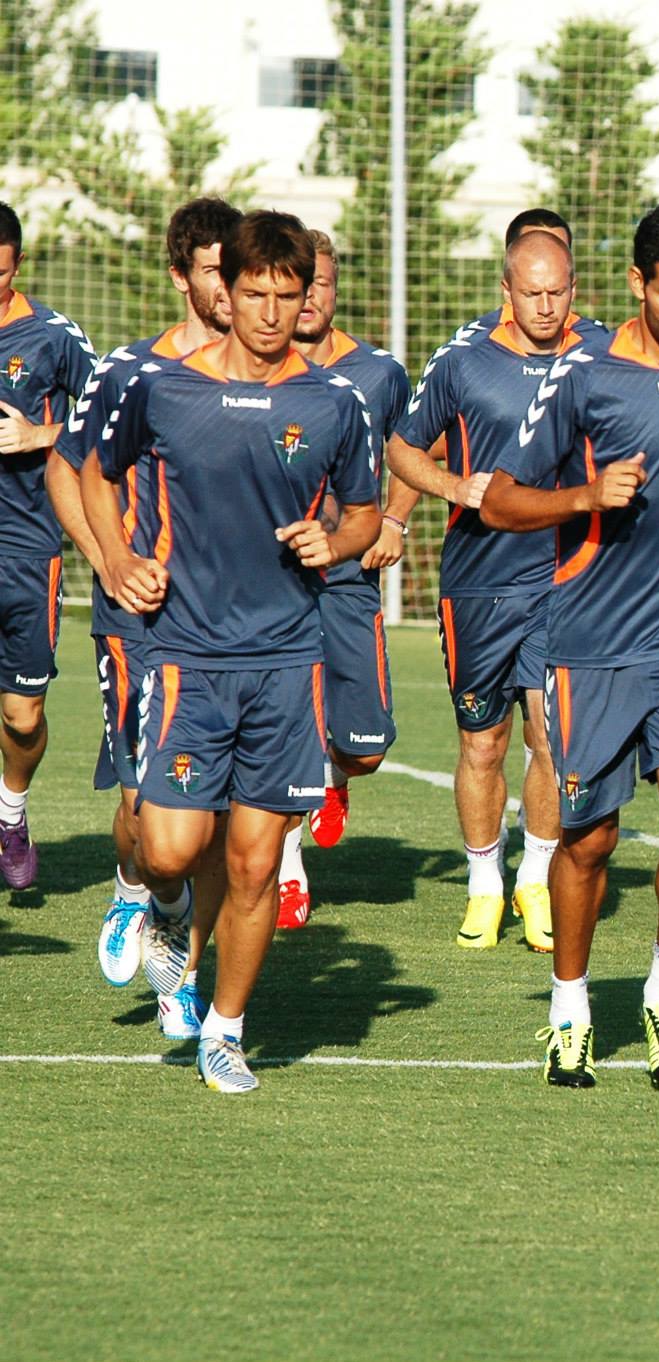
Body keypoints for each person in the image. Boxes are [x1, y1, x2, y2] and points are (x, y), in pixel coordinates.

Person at [82, 209, 381, 1092]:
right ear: (226, 288)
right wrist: (118, 557)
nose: (270, 314)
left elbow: (363, 509)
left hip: (289, 666)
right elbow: (96, 473)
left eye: (289, 297)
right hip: (185, 658)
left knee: (254, 862)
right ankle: (168, 918)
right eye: (255, 294)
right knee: (171, 849)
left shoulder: (335, 403)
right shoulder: (164, 388)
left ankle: (226, 1030)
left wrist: (342, 539)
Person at [479, 203, 659, 1092]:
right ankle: (569, 1008)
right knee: (590, 842)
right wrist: (583, 498)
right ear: (638, 285)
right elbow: (498, 499)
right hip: (592, 648)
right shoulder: (583, 381)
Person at [49, 196, 239, 1032]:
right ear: (181, 276)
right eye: (213, 272)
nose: (231, 290)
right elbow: (68, 469)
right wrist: (111, 562)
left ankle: (184, 979)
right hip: (138, 625)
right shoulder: (132, 371)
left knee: (220, 824)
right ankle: (136, 890)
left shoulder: (265, 379)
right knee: (147, 810)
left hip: (233, 634)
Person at [386, 228, 597, 951]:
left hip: (566, 580)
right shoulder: (465, 361)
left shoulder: (598, 356)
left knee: (554, 737)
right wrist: (452, 486)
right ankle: (485, 885)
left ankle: (536, 880)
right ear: (505, 291)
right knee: (483, 743)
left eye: (557, 291)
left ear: (575, 289)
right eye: (531, 292)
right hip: (477, 583)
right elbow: (403, 445)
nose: (545, 306)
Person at [275, 229, 411, 929]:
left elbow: (420, 446)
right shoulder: (254, 371)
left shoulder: (379, 374)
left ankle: (334, 778)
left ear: (333, 289)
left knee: (364, 749)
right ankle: (288, 873)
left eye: (321, 284)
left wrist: (396, 520)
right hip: (271, 583)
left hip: (350, 575)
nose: (308, 298)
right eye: (299, 285)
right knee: (285, 726)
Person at [0, 201, 98, 891]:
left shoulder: (54, 337)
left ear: (18, 264)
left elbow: (107, 419)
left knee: (22, 714)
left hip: (28, 546)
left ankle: (10, 809)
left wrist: (39, 435)